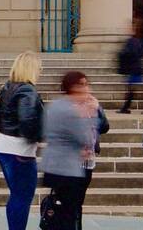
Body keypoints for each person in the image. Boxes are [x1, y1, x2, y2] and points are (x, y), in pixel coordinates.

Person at [38, 71, 109, 230]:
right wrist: (91, 113)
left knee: (67, 207)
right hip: (68, 167)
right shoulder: (69, 109)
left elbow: (104, 127)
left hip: (58, 165)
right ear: (73, 87)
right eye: (82, 85)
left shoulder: (56, 105)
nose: (86, 88)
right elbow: (82, 136)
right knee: (69, 210)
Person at [0, 52, 45, 230]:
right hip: (19, 150)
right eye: (39, 68)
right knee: (22, 196)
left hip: (3, 145)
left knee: (17, 195)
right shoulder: (27, 90)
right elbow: (28, 122)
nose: (41, 71)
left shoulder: (8, 87)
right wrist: (41, 135)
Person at [117, 19, 143, 114]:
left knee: (137, 89)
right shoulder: (139, 40)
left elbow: (134, 54)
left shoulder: (134, 41)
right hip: (136, 68)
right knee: (134, 89)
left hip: (135, 69)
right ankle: (126, 108)